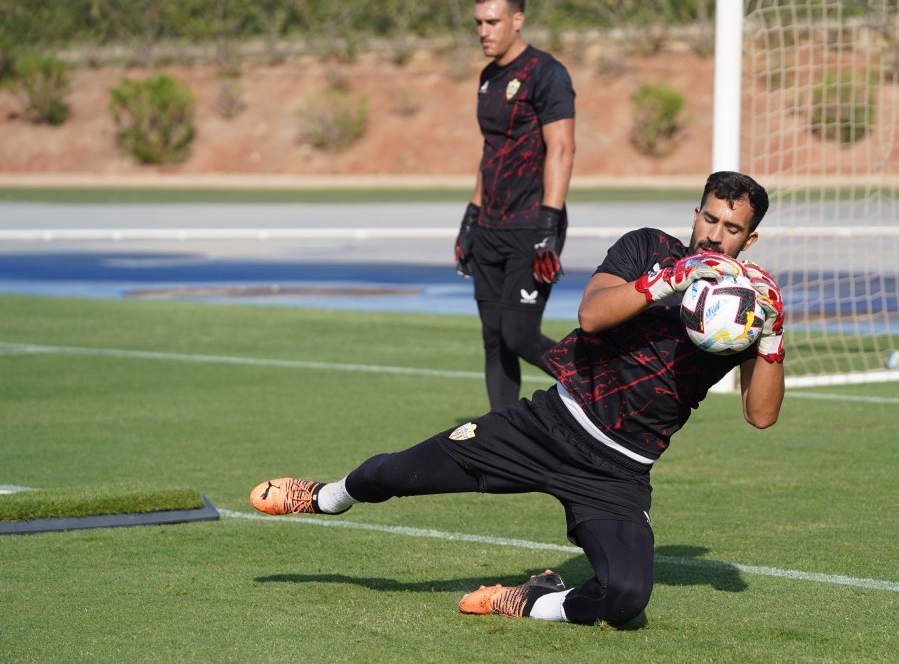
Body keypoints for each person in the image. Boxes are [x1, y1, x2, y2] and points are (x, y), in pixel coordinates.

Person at [252, 171, 786, 626]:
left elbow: (761, 416)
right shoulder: (648, 248)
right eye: (710, 219)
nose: (715, 236)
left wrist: (772, 336)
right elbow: (591, 315)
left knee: (626, 598)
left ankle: (531, 599)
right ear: (696, 214)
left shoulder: (749, 307)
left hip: (618, 473)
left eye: (732, 228)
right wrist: (667, 281)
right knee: (397, 473)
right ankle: (327, 496)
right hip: (547, 426)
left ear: (750, 239)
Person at [454, 0, 576, 411]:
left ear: (517, 20)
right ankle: (500, 432)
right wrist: (470, 217)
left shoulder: (547, 73)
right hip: (489, 224)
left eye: (492, 22)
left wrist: (548, 224)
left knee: (519, 335)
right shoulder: (488, 78)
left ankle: (594, 383)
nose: (483, 31)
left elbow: (562, 148)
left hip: (531, 224)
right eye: (478, 23)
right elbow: (491, 151)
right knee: (494, 337)